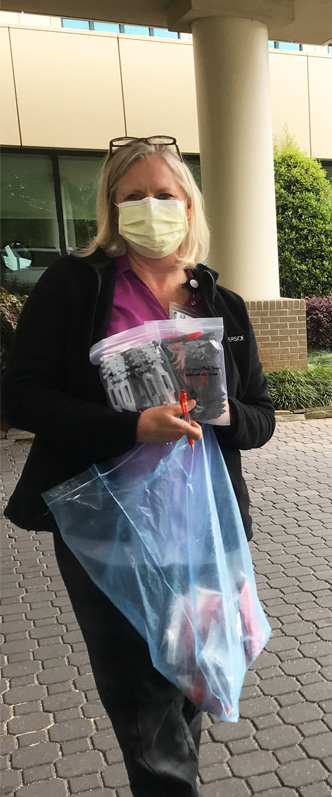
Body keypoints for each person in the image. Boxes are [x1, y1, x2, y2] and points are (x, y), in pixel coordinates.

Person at [4, 135, 275, 797]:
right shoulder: (78, 286)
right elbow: (21, 393)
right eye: (133, 196)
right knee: (143, 703)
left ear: (189, 205)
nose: (151, 207)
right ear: (111, 207)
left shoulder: (221, 303)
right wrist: (132, 425)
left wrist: (224, 415)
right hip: (110, 531)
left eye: (165, 194)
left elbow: (262, 415)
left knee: (190, 679)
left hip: (203, 533)